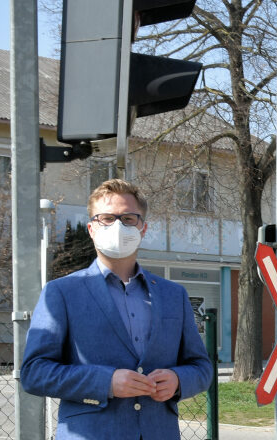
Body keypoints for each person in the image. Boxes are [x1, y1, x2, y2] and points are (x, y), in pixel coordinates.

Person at [20, 179, 213, 440]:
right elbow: (35, 372)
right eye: (107, 218)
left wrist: (178, 380)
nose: (118, 226)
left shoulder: (172, 294)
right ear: (91, 229)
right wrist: (105, 382)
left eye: (128, 218)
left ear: (143, 228)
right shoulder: (62, 292)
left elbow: (201, 367)